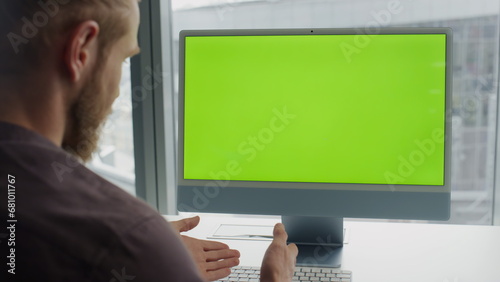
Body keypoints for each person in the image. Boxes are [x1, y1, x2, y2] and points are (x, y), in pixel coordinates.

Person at [0, 0, 298, 281]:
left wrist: (150, 246)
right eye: (125, 59)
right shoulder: (134, 244)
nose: (117, 92)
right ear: (81, 50)